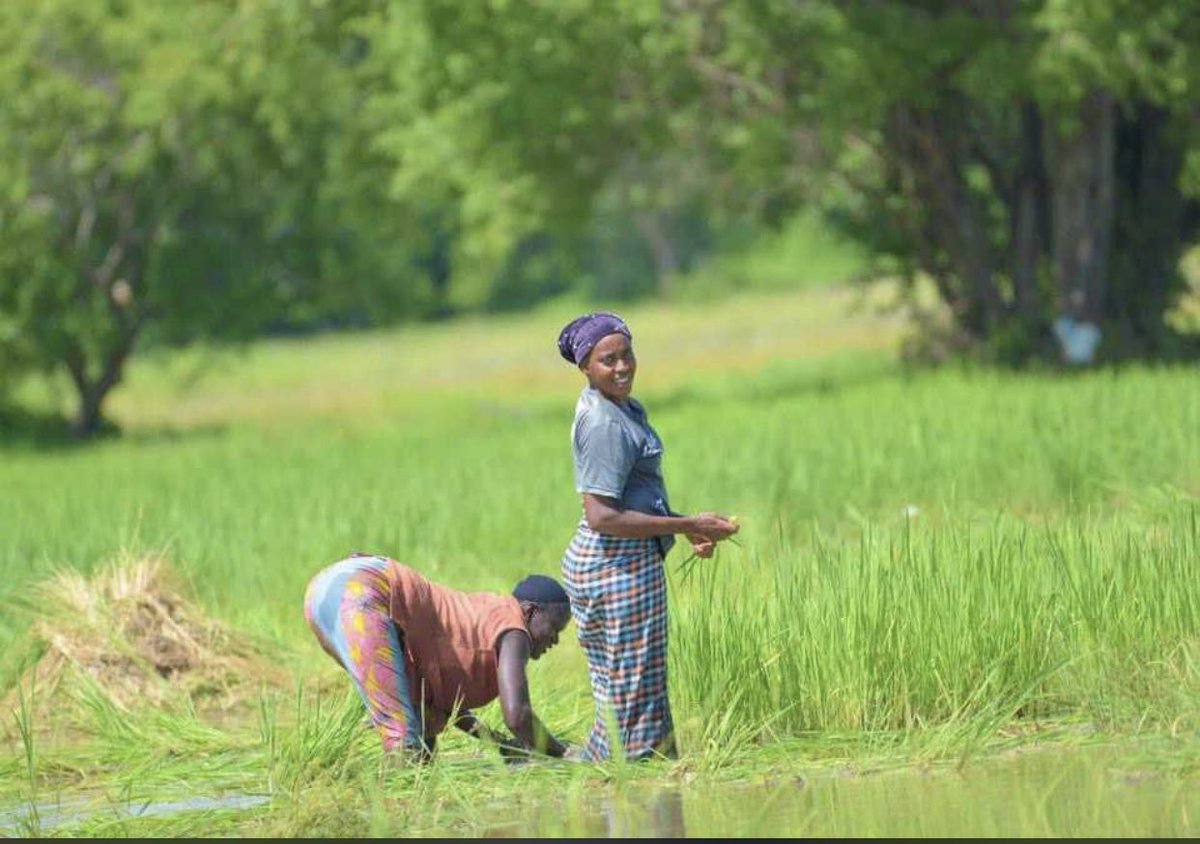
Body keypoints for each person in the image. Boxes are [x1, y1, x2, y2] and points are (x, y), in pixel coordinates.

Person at [556, 311, 740, 762]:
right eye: (608, 360)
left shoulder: (622, 408)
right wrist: (686, 525)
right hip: (614, 566)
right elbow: (602, 516)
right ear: (586, 367)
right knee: (632, 694)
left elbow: (633, 498)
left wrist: (687, 523)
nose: (622, 367)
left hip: (625, 562)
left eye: (627, 355)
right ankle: (628, 779)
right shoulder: (603, 422)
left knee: (635, 687)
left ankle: (648, 771)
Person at [303, 552, 572, 762]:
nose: (555, 640)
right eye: (555, 628)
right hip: (361, 590)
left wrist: (500, 745)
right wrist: (564, 753)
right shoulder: (514, 628)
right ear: (530, 612)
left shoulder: (484, 618)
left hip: (327, 592)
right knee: (404, 745)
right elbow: (517, 715)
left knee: (422, 744)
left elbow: (452, 708)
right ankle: (390, 811)